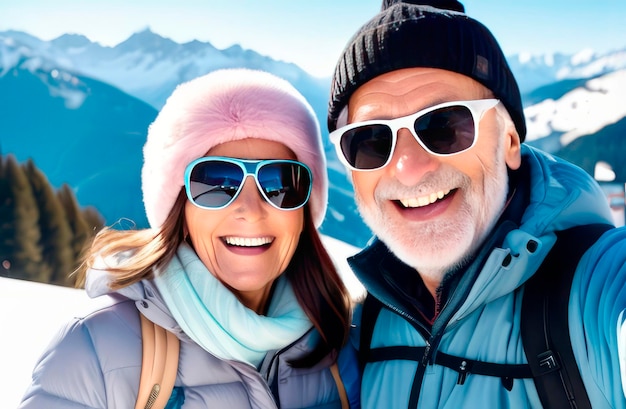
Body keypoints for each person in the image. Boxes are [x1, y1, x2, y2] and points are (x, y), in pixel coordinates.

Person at [327, 0, 626, 408]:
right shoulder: (362, 330)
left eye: (445, 125)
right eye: (372, 141)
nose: (409, 168)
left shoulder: (593, 287)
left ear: (509, 142)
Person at [18, 68, 360, 408]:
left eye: (280, 183)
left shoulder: (341, 349)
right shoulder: (91, 353)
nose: (251, 210)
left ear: (303, 213)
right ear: (179, 211)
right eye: (216, 183)